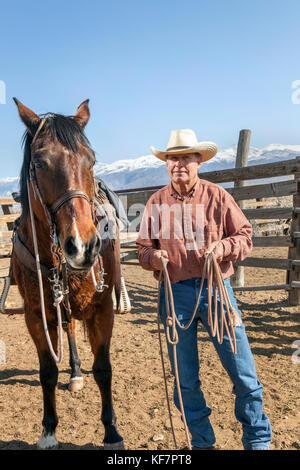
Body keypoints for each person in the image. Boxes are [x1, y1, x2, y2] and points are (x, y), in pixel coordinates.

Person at [136, 129, 272, 450]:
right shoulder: (155, 203)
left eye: (185, 157)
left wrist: (224, 248)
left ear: (199, 161)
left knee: (244, 374)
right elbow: (142, 249)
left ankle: (257, 442)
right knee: (185, 382)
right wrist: (154, 257)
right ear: (166, 164)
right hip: (176, 295)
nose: (178, 164)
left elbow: (244, 236)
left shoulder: (218, 197)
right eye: (172, 158)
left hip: (216, 291)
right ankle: (201, 443)